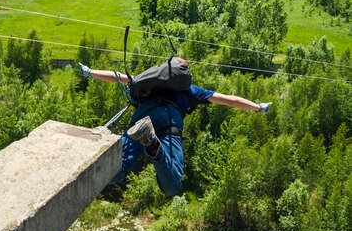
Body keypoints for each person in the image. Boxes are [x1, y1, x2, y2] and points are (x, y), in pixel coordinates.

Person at [79, 60, 271, 197]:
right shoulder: (192, 90)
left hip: (142, 117)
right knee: (171, 186)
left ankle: (99, 145)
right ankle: (153, 145)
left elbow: (118, 77)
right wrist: (258, 107)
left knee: (114, 173)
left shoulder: (150, 81)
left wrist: (89, 72)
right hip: (168, 122)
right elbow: (230, 100)